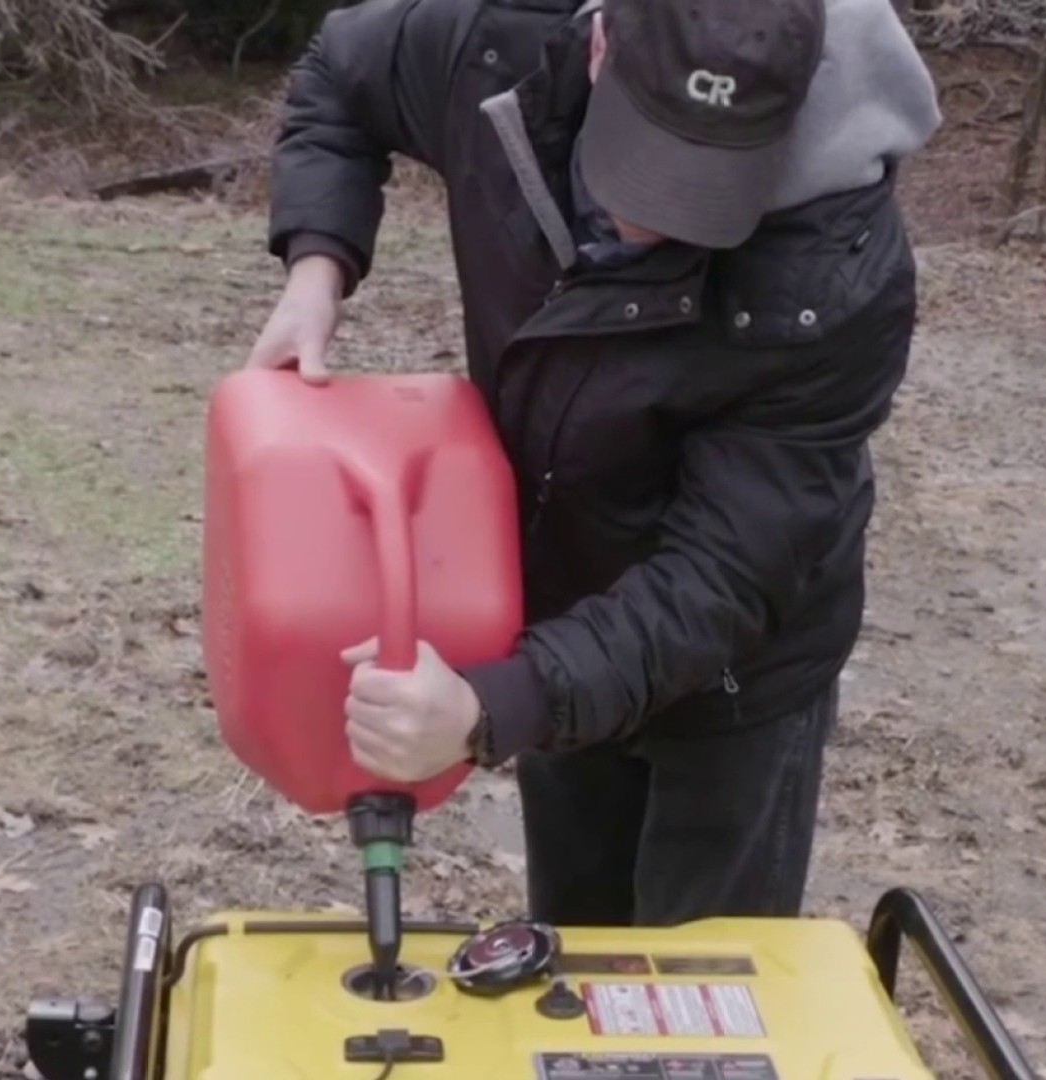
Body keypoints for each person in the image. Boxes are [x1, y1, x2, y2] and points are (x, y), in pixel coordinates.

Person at [244, 0, 941, 927]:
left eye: (701, 187)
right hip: (560, 607)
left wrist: (487, 707)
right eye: (640, 161)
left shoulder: (837, 282)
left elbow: (722, 578)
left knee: (703, 1008)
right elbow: (341, 70)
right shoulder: (501, 51)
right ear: (601, 40)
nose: (648, 220)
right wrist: (316, 266)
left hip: (738, 683)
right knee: (571, 960)